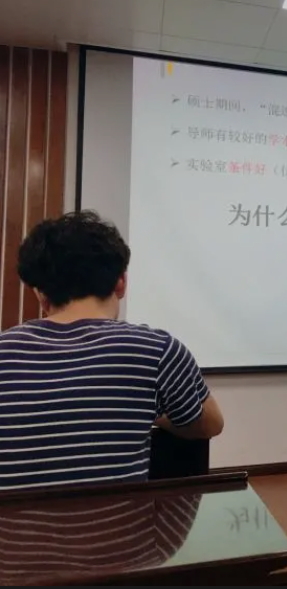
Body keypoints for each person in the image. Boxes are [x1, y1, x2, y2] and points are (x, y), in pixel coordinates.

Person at [0, 210, 223, 491]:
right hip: (121, 521)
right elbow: (210, 424)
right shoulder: (157, 350)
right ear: (121, 282)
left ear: (40, 293)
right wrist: (146, 410)